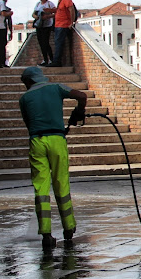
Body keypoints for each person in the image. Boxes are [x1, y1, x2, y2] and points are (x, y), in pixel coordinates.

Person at [19, 66, 87, 250]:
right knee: (61, 183)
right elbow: (82, 96)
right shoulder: (57, 88)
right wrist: (79, 112)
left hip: (37, 141)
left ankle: (46, 234)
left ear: (29, 81)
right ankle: (69, 229)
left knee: (41, 187)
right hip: (57, 139)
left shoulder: (24, 99)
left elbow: (28, 124)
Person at [42, 0, 75, 67]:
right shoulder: (61, 0)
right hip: (58, 25)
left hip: (63, 25)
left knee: (59, 43)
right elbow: (59, 11)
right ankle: (56, 61)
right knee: (58, 43)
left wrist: (71, 23)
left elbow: (71, 10)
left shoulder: (66, 0)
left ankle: (57, 62)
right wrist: (50, 11)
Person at [32, 0, 56, 66]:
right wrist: (37, 17)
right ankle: (45, 59)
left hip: (47, 25)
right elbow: (33, 14)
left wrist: (47, 16)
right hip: (39, 25)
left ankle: (51, 59)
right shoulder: (38, 4)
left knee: (46, 42)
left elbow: (56, 13)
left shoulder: (49, 4)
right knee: (41, 43)